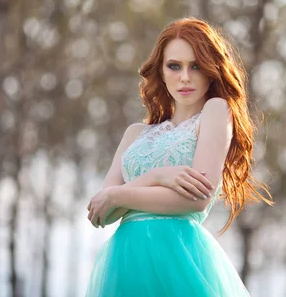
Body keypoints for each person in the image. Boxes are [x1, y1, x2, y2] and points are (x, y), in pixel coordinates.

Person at [85, 17, 272, 296]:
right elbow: (100, 212)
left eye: (195, 66)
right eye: (174, 66)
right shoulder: (135, 134)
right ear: (160, 71)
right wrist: (156, 177)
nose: (185, 77)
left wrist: (119, 196)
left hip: (179, 259)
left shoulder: (216, 111)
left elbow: (197, 199)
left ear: (211, 71)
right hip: (124, 265)